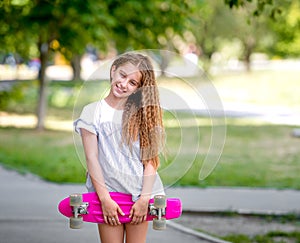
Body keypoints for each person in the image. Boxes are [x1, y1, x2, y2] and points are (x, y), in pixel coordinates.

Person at [74, 52, 166, 243]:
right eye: (123, 75)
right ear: (113, 70)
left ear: (138, 89)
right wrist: (104, 199)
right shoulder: (92, 112)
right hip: (109, 196)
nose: (124, 84)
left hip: (139, 196)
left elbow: (150, 162)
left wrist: (143, 199)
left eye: (133, 83)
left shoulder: (143, 115)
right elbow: (92, 158)